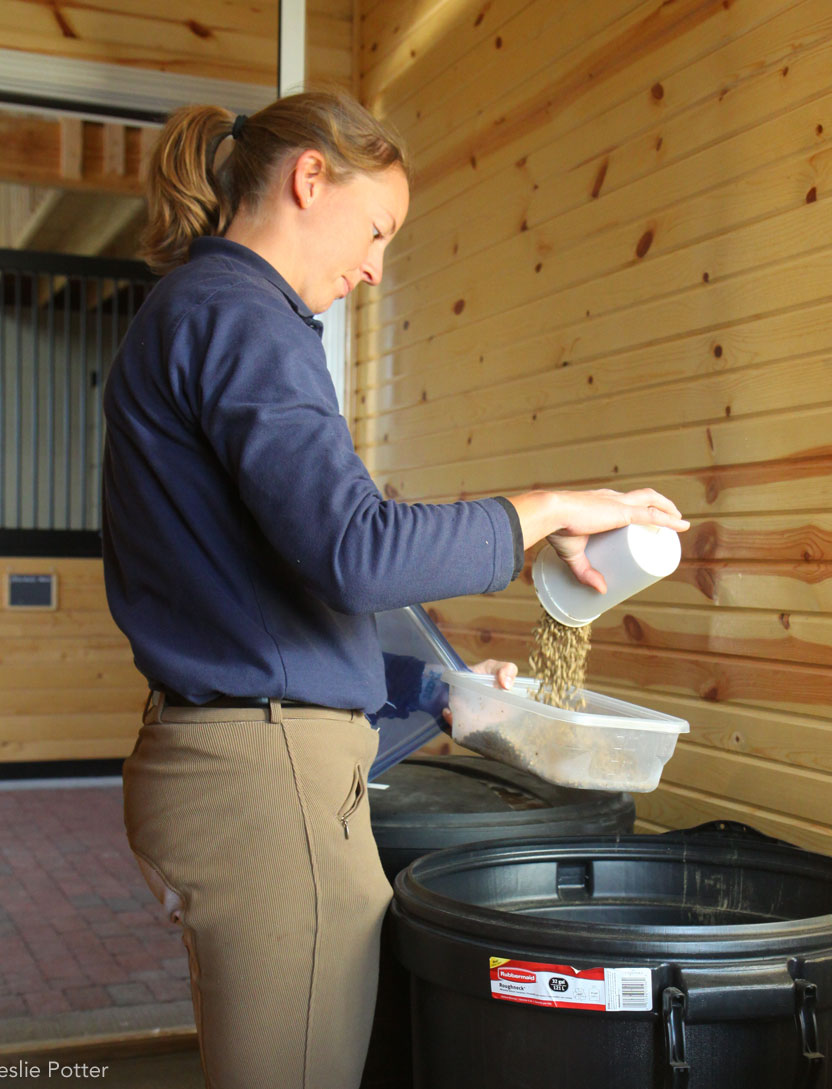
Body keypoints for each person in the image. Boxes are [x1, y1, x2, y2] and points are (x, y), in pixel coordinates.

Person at [101, 89, 689, 1089]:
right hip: (263, 787)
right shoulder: (246, 316)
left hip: (242, 767)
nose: (374, 267)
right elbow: (357, 553)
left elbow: (267, 595)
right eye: (377, 230)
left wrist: (436, 694)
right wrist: (543, 507)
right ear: (308, 178)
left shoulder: (201, 312)